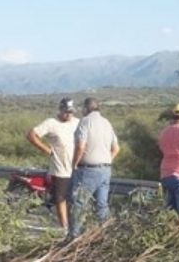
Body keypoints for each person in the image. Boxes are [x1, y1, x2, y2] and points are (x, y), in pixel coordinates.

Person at [68, 97, 120, 238]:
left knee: (78, 203)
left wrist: (74, 164)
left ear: (86, 108)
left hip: (88, 170)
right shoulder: (107, 123)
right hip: (105, 170)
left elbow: (81, 146)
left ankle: (74, 237)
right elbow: (116, 148)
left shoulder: (85, 122)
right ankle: (106, 235)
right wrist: (107, 160)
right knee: (102, 205)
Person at [27, 98, 79, 231]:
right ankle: (65, 228)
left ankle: (75, 226)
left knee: (74, 199)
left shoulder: (78, 123)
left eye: (71, 112)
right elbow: (32, 135)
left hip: (76, 168)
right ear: (60, 110)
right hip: (60, 168)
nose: (69, 115)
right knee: (60, 198)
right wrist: (47, 150)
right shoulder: (51, 123)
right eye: (66, 112)